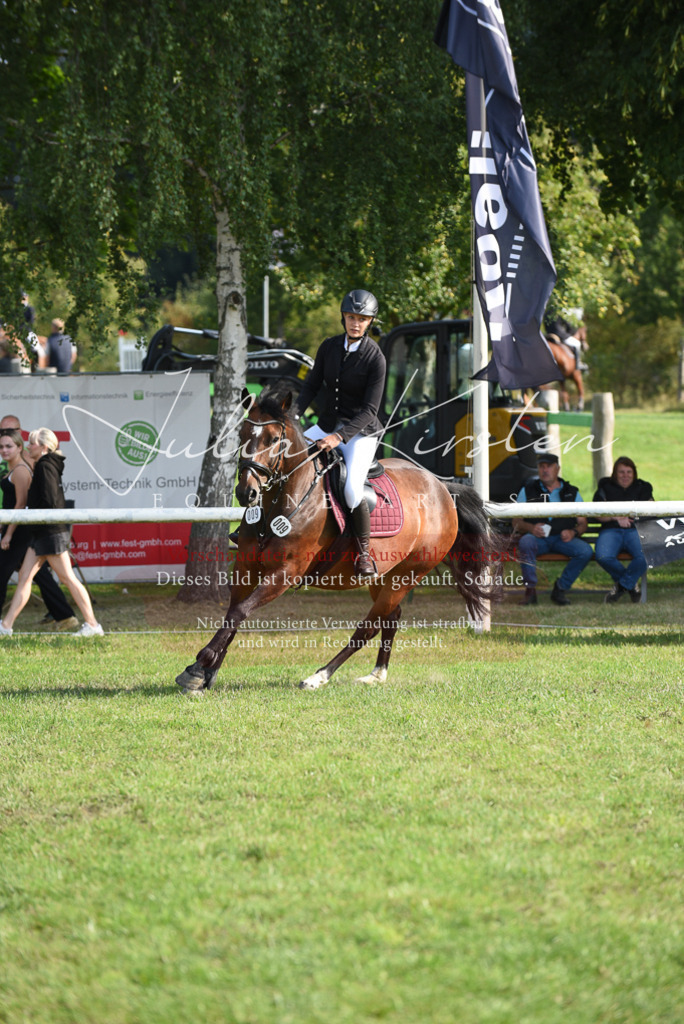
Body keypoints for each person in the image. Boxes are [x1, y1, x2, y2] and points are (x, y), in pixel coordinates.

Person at [293, 289, 386, 578]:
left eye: (361, 318)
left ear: (369, 322)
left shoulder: (375, 358)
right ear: (343, 318)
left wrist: (339, 437)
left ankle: (363, 555)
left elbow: (370, 410)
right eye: (350, 317)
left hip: (360, 432)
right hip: (326, 423)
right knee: (285, 458)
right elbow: (310, 386)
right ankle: (255, 526)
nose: (355, 323)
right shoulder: (328, 347)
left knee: (351, 489)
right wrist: (292, 415)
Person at [0, 428, 102, 637]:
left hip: (49, 533)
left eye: (32, 444)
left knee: (68, 579)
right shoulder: (45, 465)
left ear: (44, 447)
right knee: (25, 579)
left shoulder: (46, 466)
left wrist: (29, 511)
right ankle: (6, 627)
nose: (28, 447)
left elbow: (50, 502)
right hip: (42, 533)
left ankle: (92, 625)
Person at [0, 416, 78, 628]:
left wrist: (8, 532)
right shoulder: (19, 463)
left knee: (64, 578)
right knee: (33, 577)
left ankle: (86, 622)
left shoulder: (31, 465)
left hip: (33, 530)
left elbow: (26, 502)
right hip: (32, 530)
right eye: (1, 438)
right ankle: (65, 616)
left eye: (10, 437)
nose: (4, 446)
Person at [513, 453, 593, 606]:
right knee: (526, 541)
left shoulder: (572, 492)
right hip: (538, 539)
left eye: (549, 466)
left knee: (585, 551)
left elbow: (583, 523)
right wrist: (531, 527)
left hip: (562, 539)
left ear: (557, 469)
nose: (545, 470)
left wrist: (573, 532)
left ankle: (561, 588)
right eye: (541, 467)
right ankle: (530, 591)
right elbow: (515, 522)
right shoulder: (528, 490)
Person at [594, 456, 653, 603]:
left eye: (629, 472)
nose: (625, 476)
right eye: (621, 472)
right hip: (611, 530)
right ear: (614, 473)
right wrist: (616, 518)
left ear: (634, 473)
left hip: (635, 530)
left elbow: (651, 511)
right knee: (603, 556)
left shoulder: (643, 487)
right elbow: (597, 514)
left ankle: (621, 586)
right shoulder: (605, 487)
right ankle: (631, 585)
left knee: (646, 555)